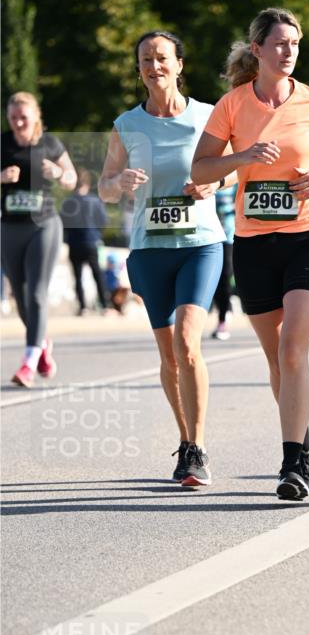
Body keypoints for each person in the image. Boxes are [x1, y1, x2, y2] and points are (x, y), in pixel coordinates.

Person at [191, 7, 309, 500]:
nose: (289, 52)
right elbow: (201, 169)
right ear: (257, 49)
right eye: (280, 44)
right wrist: (241, 158)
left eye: (295, 44)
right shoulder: (232, 105)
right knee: (275, 360)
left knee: (292, 349)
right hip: (255, 243)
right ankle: (307, 444)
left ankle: (293, 465)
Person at [99, 31, 224, 487]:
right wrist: (121, 183)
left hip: (200, 243)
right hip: (150, 249)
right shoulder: (127, 124)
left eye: (163, 57)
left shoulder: (207, 117)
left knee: (187, 342)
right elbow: (104, 186)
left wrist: (215, 184)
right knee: (169, 356)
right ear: (139, 71)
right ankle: (184, 437)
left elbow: (232, 169)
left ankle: (198, 447)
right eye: (147, 60)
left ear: (179, 64)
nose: (155, 65)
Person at [1, 91, 77, 386]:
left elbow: (71, 179)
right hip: (9, 226)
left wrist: (59, 172)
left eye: (23, 117)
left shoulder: (49, 143)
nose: (19, 122)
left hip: (43, 225)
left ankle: (28, 364)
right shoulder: (3, 143)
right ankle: (42, 344)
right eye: (13, 117)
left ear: (35, 116)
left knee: (36, 293)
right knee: (20, 299)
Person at [62, 168, 110, 315]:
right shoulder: (95, 201)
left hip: (74, 242)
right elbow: (103, 221)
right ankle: (105, 305)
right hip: (92, 241)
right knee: (98, 275)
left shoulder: (68, 202)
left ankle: (83, 307)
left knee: (77, 277)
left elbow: (63, 223)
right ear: (88, 184)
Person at [211, 182, 237, 340]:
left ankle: (223, 319)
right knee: (214, 280)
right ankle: (222, 314)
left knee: (226, 276)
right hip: (209, 236)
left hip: (230, 236)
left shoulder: (235, 179)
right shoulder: (204, 171)